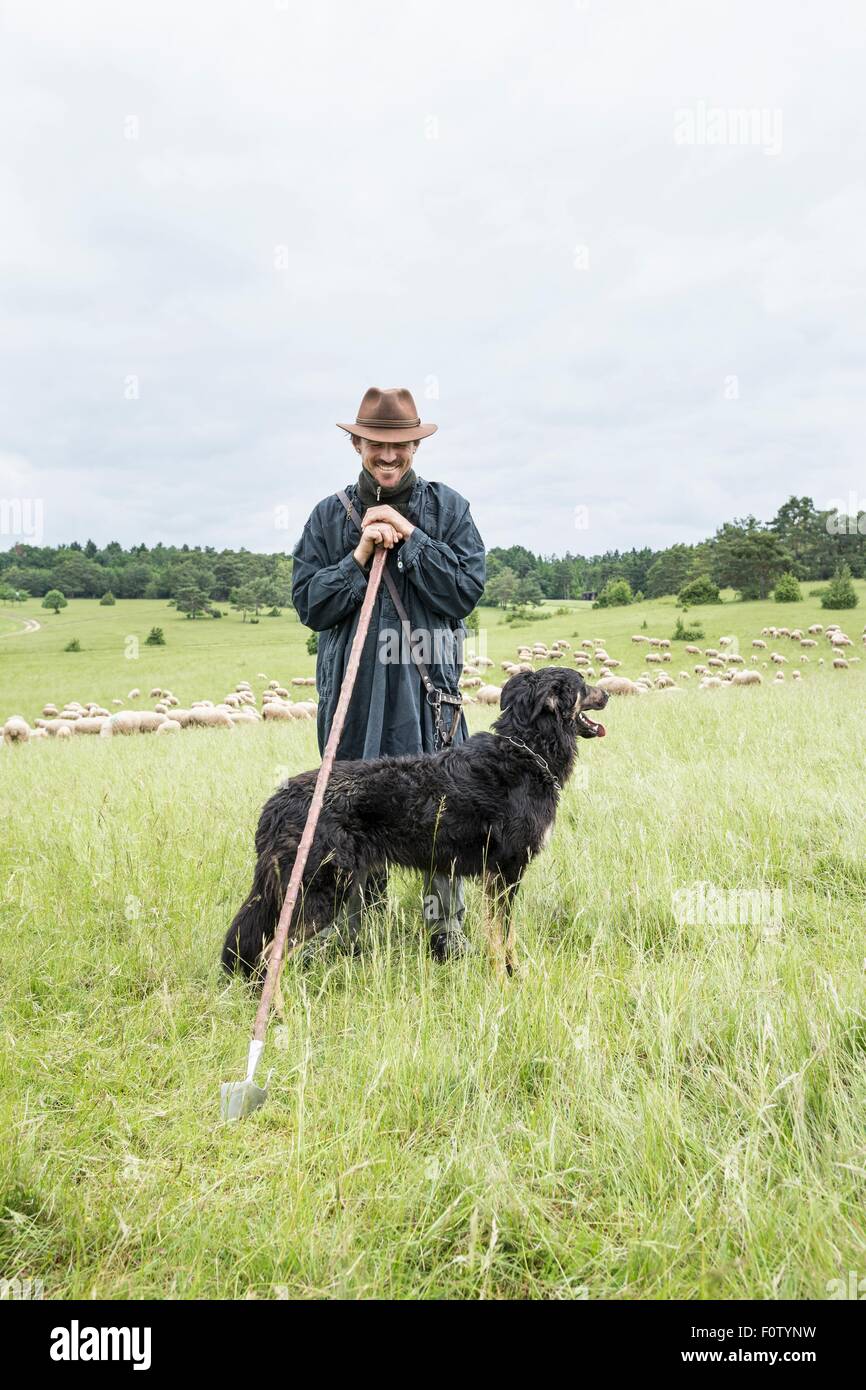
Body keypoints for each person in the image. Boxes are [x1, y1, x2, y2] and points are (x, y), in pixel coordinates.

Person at [291, 386, 486, 960]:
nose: (389, 455)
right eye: (377, 442)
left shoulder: (449, 511)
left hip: (428, 695)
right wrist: (356, 558)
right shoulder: (329, 517)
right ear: (356, 442)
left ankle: (445, 933)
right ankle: (353, 936)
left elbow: (465, 592)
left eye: (401, 444)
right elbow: (309, 604)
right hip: (354, 700)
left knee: (443, 811)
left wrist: (411, 540)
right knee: (352, 812)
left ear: (416, 445)